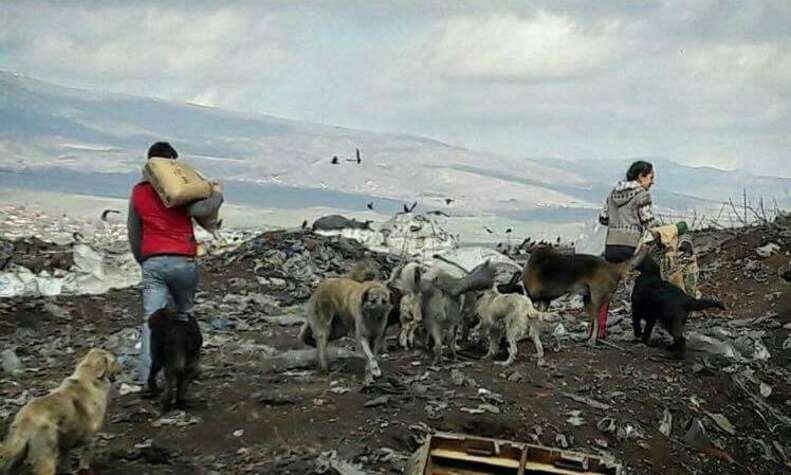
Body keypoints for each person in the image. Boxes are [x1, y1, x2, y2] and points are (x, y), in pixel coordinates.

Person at [127, 141, 223, 383]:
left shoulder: (138, 192)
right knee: (184, 317)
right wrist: (218, 195)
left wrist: (145, 261)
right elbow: (201, 210)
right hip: (183, 261)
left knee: (152, 320)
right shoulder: (180, 189)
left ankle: (148, 378)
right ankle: (187, 371)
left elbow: (134, 232)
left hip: (152, 263)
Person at [595, 160, 656, 338]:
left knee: (607, 288)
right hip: (631, 247)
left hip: (611, 247)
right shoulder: (643, 195)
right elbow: (649, 223)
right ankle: (645, 325)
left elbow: (603, 219)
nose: (652, 182)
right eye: (651, 177)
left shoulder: (613, 193)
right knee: (652, 275)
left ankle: (599, 328)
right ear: (641, 176)